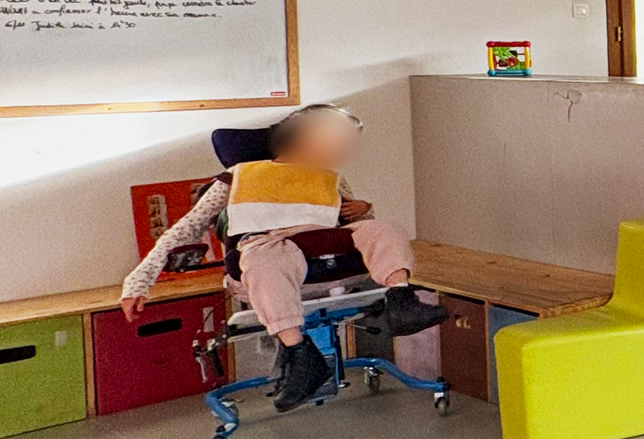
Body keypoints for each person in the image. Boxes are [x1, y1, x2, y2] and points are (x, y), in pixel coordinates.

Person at [121, 104, 444, 412]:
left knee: (384, 229)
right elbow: (185, 230)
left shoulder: (328, 176)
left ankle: (402, 301)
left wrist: (364, 209)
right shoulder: (238, 177)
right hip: (270, 244)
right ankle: (301, 356)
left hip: (324, 241)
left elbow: (350, 218)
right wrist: (139, 281)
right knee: (262, 261)